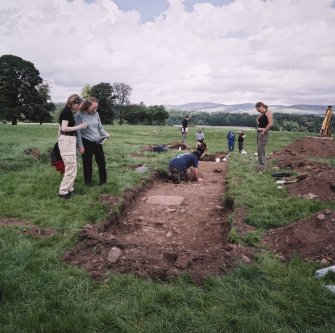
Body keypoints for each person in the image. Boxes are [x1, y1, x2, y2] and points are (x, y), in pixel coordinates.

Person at [58, 94, 87, 199]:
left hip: (67, 140)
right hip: (67, 140)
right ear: (73, 103)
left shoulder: (67, 112)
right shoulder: (66, 112)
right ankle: (63, 191)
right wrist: (79, 126)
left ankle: (70, 189)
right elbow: (64, 128)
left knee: (71, 167)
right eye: (78, 104)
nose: (79, 106)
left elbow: (60, 128)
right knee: (71, 167)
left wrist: (59, 141)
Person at [76, 97, 110, 186]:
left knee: (101, 162)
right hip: (86, 142)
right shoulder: (79, 115)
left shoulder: (96, 114)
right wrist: (80, 145)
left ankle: (103, 182)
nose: (95, 109)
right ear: (87, 106)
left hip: (98, 142)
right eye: (93, 107)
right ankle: (88, 183)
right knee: (87, 164)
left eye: (96, 107)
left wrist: (105, 134)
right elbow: (78, 132)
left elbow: (100, 127)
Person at [255, 101, 273, 172]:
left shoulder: (268, 112)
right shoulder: (262, 114)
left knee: (260, 151)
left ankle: (262, 168)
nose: (258, 111)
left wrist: (263, 131)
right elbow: (261, 124)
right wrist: (258, 119)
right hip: (259, 133)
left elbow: (271, 124)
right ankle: (261, 166)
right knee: (261, 150)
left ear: (261, 106)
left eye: (258, 109)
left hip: (263, 134)